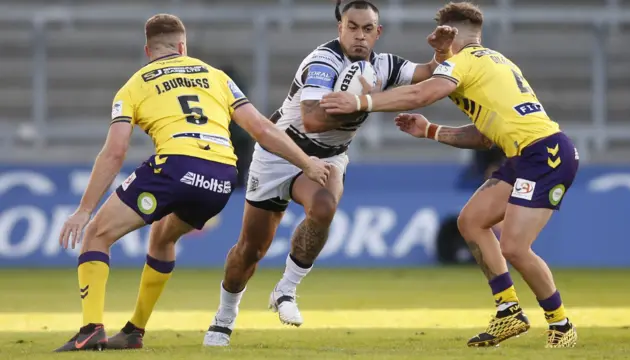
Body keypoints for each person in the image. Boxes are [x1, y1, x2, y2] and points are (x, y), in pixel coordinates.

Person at [54, 13, 331, 352]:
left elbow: (115, 152)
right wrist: (306, 162)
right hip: (221, 175)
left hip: (175, 167)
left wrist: (84, 209)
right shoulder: (216, 77)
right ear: (183, 47)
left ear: (148, 50)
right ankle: (134, 331)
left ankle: (90, 329)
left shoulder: (135, 85)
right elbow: (261, 128)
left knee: (97, 234)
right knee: (162, 236)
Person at [320, 1, 579, 349]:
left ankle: (560, 324)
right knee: (471, 221)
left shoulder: (466, 62)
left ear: (452, 37)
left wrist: (362, 102)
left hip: (544, 154)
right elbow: (485, 136)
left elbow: (420, 93)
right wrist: (430, 131)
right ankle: (508, 312)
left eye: (442, 39)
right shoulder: (494, 61)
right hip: (525, 153)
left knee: (515, 247)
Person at [203, 0, 457, 347]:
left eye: (367, 29)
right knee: (251, 249)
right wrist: (357, 102)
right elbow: (311, 119)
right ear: (340, 28)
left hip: (330, 156)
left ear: (377, 33)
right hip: (281, 151)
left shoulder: (384, 65)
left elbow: (428, 72)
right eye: (352, 26)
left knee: (324, 207)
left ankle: (286, 290)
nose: (359, 35)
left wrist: (442, 54)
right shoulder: (323, 62)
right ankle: (224, 316)